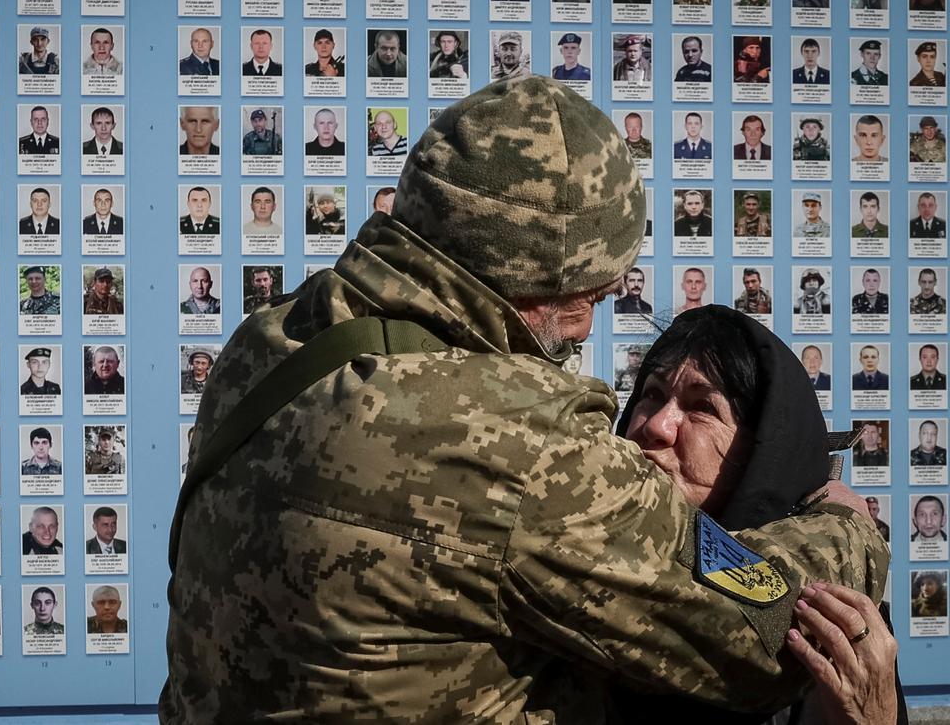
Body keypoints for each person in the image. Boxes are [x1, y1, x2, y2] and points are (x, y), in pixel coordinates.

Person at [162, 78, 889, 721]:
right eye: (592, 295)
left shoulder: (267, 346)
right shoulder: (519, 439)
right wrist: (844, 528)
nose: (589, 325)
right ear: (538, 274)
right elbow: (761, 644)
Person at [613, 306, 901, 725]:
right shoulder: (591, 557)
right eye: (652, 394)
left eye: (702, 407)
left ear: (762, 454)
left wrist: (874, 715)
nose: (657, 426)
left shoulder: (836, 616)